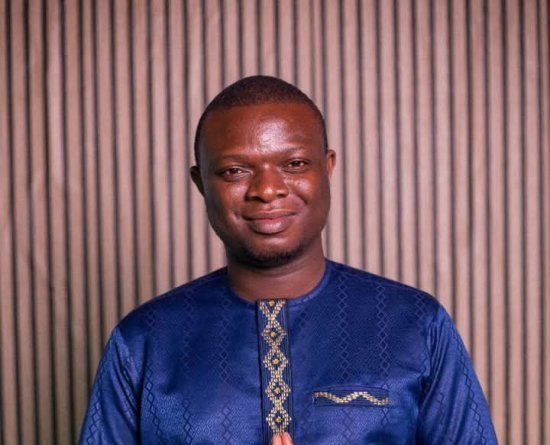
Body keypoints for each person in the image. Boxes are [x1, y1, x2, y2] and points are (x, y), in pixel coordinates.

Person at [79, 75, 498, 444]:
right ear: (201, 182)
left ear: (326, 168)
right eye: (234, 171)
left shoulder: (416, 325)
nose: (267, 189)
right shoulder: (144, 342)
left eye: (294, 164)